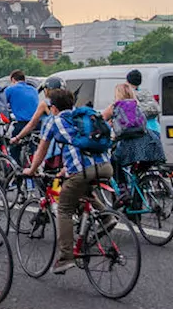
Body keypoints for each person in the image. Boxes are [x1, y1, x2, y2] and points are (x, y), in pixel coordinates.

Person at [22, 87, 113, 275]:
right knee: (81, 190)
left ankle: (65, 257)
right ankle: (105, 215)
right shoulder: (84, 117)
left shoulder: (54, 121)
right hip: (105, 166)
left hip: (83, 170)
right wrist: (65, 169)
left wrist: (31, 170)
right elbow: (79, 147)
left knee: (64, 207)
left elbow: (42, 150)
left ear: (53, 107)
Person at [102, 82, 165, 174]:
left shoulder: (114, 107)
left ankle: (122, 185)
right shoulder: (136, 105)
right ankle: (139, 182)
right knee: (141, 168)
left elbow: (100, 119)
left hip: (126, 142)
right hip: (145, 139)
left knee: (115, 161)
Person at [11, 76, 64, 145]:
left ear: (47, 90)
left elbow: (32, 124)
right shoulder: (67, 102)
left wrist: (17, 137)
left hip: (50, 141)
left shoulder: (45, 104)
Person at [4, 70, 39, 139]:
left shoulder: (11, 89)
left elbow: (2, 103)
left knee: (13, 144)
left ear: (13, 79)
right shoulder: (34, 90)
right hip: (36, 124)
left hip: (21, 124)